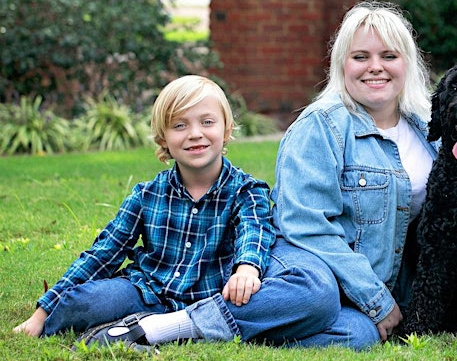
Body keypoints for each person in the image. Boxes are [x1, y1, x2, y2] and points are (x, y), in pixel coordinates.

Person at [71, 1, 436, 351]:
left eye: (388, 56)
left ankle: (221, 327)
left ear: (407, 63)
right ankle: (163, 325)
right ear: (343, 64)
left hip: (366, 284)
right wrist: (375, 299)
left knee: (358, 336)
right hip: (304, 262)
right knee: (316, 293)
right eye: (361, 57)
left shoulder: (427, 129)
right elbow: (304, 224)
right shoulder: (322, 126)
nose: (376, 67)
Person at [12, 75, 276, 344]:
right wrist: (41, 314)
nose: (195, 133)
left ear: (227, 129)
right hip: (146, 291)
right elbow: (104, 253)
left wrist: (247, 270)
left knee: (268, 306)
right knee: (81, 302)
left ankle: (137, 328)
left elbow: (254, 231)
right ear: (163, 139)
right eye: (180, 125)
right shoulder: (146, 194)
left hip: (208, 303)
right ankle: (122, 323)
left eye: (207, 122)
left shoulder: (246, 191)